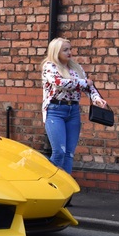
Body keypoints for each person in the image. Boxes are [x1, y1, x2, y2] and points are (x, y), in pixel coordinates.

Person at [41, 37, 107, 174]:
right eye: (65, 50)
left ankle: (67, 191)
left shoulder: (76, 68)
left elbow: (90, 87)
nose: (69, 52)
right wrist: (84, 83)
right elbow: (60, 83)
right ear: (56, 51)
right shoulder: (49, 66)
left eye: (70, 49)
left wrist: (97, 99)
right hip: (55, 111)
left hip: (73, 112)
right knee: (59, 152)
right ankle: (50, 186)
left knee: (69, 153)